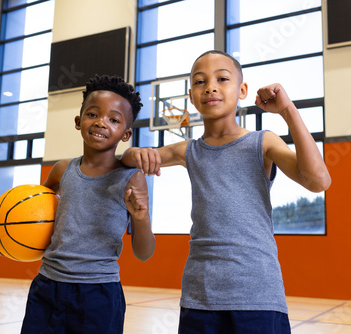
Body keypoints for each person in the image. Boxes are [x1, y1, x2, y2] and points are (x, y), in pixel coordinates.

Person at [121, 50, 331, 333]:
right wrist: (134, 151)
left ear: (242, 90)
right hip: (200, 297)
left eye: (222, 78)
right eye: (200, 82)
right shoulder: (189, 150)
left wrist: (287, 111)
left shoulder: (263, 142)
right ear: (192, 96)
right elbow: (130, 159)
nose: (210, 87)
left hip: (259, 297)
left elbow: (318, 181)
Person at [0, 74, 156, 334]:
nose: (101, 122)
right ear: (78, 121)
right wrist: (3, 239)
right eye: (93, 114)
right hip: (47, 286)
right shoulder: (61, 170)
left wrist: (141, 218)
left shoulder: (131, 178)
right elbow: (32, 217)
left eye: (114, 119)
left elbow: (144, 253)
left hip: (99, 293)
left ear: (126, 133)